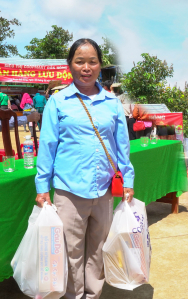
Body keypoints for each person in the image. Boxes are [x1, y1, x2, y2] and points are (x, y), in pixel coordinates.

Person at [35, 38, 135, 299]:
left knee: (98, 249)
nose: (86, 67)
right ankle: (73, 295)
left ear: (100, 65)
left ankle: (93, 295)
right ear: (70, 65)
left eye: (92, 61)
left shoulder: (112, 103)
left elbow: (122, 146)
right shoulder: (58, 102)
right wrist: (42, 187)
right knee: (69, 252)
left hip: (104, 191)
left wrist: (128, 179)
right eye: (80, 61)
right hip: (69, 192)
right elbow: (47, 145)